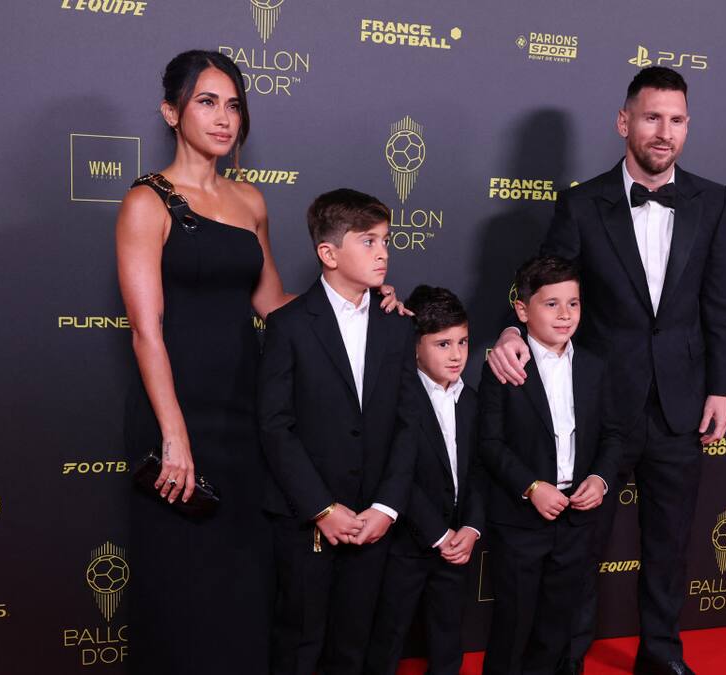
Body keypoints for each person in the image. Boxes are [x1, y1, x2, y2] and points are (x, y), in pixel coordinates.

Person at [117, 51, 402, 674]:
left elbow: (276, 305)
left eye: (234, 104)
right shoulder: (147, 201)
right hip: (179, 410)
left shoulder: (250, 200)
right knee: (181, 580)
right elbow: (146, 330)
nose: (225, 118)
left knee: (244, 583)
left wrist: (358, 296)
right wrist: (174, 436)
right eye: (206, 101)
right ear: (172, 111)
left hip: (249, 409)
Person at [487, 67, 726, 675]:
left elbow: (721, 302)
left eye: (676, 120)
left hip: (681, 401)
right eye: (652, 118)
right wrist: (510, 329)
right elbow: (547, 285)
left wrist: (722, 388)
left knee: (671, 542)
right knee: (580, 544)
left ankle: (661, 653)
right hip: (600, 407)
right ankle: (567, 658)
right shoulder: (580, 202)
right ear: (624, 122)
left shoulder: (712, 200)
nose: (664, 132)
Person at [258, 188, 420, 675]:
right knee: (300, 642)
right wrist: (321, 508)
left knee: (355, 645)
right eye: (368, 241)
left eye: (385, 240)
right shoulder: (288, 325)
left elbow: (409, 424)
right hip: (306, 520)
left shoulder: (398, 327)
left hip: (374, 521)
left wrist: (387, 508)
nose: (383, 252)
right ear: (328, 253)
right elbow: (274, 425)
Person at [479, 255, 627, 675]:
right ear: (523, 310)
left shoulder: (596, 366)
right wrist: (531, 486)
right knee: (514, 625)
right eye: (551, 304)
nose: (565, 315)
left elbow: (615, 434)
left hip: (577, 519)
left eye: (573, 303)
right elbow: (489, 444)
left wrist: (600, 478)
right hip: (522, 520)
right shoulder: (505, 366)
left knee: (558, 628)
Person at [365, 286, 486, 675]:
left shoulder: (472, 399)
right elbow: (399, 473)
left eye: (463, 342)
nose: (456, 354)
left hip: (456, 545)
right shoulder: (399, 397)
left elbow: (481, 471)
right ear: (415, 346)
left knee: (448, 636)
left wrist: (470, 527)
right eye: (443, 344)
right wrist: (437, 533)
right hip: (406, 544)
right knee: (388, 636)